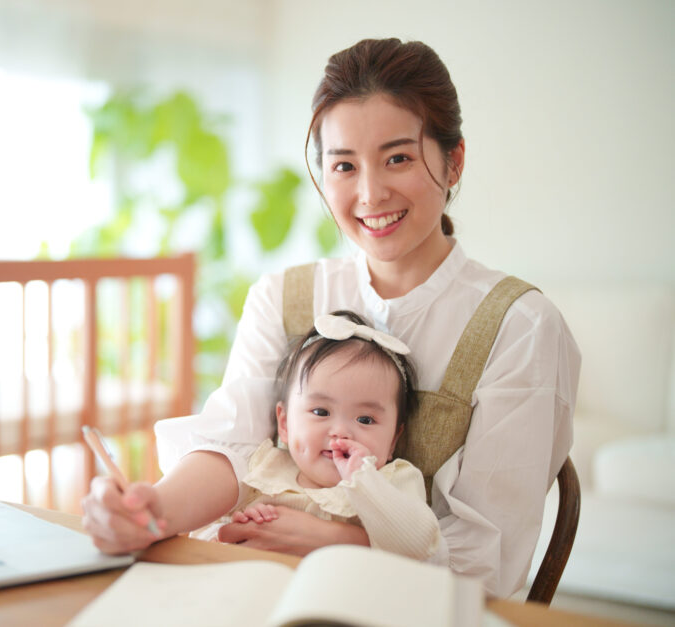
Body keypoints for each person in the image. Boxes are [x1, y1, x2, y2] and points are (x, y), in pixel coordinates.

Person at [81, 37, 581, 598]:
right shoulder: (284, 296)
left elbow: (490, 562)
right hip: (258, 593)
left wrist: (331, 543)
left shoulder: (520, 326)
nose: (370, 193)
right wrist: (153, 508)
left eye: (398, 158)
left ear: (453, 160)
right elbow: (232, 448)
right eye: (344, 165)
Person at [189, 310, 441, 562]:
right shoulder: (264, 469)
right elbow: (205, 527)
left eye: (365, 419)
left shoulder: (393, 480)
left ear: (393, 441)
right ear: (285, 424)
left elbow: (421, 546)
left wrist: (364, 481)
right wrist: (237, 531)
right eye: (321, 412)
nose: (341, 431)